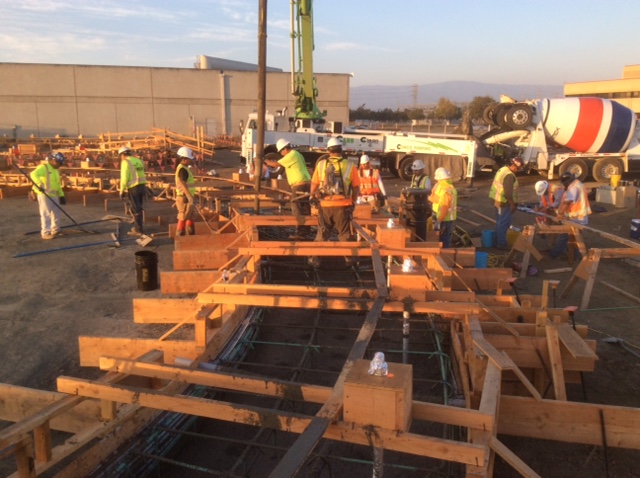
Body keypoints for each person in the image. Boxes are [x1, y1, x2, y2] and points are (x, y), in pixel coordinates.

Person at [309, 137, 360, 265]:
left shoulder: (321, 165)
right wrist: (353, 201)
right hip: (343, 206)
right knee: (344, 234)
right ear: (341, 150)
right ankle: (349, 259)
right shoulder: (350, 165)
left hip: (325, 205)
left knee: (322, 233)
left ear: (328, 150)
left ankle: (315, 258)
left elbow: (314, 183)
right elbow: (356, 187)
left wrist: (311, 196)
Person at [265, 139, 312, 240]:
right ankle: (305, 231)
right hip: (305, 184)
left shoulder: (292, 155)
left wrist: (266, 161)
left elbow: (276, 164)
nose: (281, 154)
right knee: (304, 208)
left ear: (285, 148)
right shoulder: (297, 154)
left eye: (281, 151)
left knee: (297, 208)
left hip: (300, 185)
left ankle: (300, 233)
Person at [547, 172, 591, 261]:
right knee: (575, 238)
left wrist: (560, 214)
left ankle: (554, 254)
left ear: (567, 181)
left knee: (563, 236)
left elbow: (568, 202)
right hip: (579, 217)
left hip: (576, 218)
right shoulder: (578, 185)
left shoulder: (573, 188)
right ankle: (575, 256)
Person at [488, 156, 523, 249]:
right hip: (503, 202)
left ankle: (497, 241)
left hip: (496, 200)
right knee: (504, 223)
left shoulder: (502, 169)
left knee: (499, 222)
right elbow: (508, 193)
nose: (518, 171)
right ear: (514, 166)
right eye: (518, 168)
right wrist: (512, 205)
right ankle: (501, 244)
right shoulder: (509, 175)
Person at [30, 152, 66, 240]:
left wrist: (61, 195)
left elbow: (57, 184)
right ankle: (45, 232)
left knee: (56, 213)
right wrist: (39, 184)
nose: (60, 165)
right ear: (53, 161)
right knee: (46, 214)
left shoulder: (56, 170)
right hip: (44, 194)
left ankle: (55, 230)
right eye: (59, 163)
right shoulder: (44, 167)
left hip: (54, 194)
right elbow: (33, 174)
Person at [118, 145, 148, 236]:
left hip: (133, 187)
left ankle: (138, 230)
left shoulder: (125, 162)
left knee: (136, 209)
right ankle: (138, 227)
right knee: (138, 207)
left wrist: (122, 190)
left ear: (123, 155)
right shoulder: (138, 161)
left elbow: (124, 178)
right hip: (142, 186)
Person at [401, 159, 432, 241]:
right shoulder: (414, 177)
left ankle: (419, 241)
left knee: (420, 226)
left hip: (422, 205)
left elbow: (428, 191)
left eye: (416, 171)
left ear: (422, 169)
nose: (414, 172)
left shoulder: (426, 179)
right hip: (413, 204)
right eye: (414, 170)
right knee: (411, 223)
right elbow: (412, 187)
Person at [429, 167, 457, 248]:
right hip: (445, 218)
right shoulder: (448, 188)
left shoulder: (446, 191)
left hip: (444, 219)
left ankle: (444, 254)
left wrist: (439, 220)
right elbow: (438, 199)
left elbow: (444, 207)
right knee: (443, 237)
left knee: (443, 238)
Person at [174, 146, 197, 236]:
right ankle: (180, 235)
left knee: (190, 215)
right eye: (189, 159)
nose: (191, 161)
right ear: (183, 159)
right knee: (183, 216)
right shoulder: (182, 169)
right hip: (184, 197)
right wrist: (188, 196)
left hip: (186, 197)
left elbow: (187, 182)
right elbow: (183, 183)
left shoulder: (184, 168)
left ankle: (190, 234)